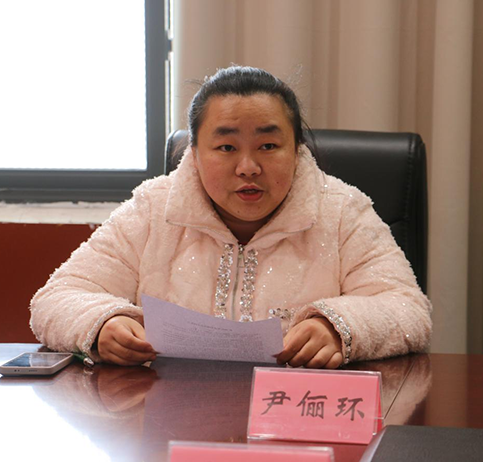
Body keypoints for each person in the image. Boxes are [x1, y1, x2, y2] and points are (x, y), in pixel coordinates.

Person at [30, 66, 432, 369]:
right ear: (194, 154)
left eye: (268, 145)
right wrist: (104, 323)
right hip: (171, 420)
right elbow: (56, 298)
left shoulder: (343, 211)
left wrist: (338, 326)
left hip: (297, 417)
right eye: (226, 148)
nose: (248, 167)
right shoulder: (153, 208)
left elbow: (408, 309)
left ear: (297, 150)